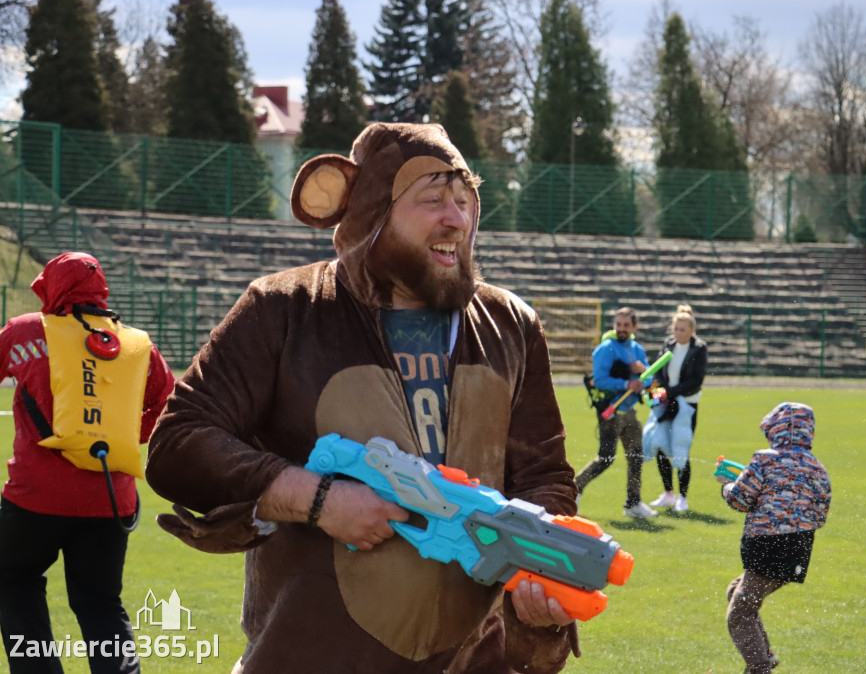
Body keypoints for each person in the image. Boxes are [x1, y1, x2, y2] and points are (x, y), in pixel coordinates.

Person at [145, 123, 579, 674]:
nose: (458, 218)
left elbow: (545, 476)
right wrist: (314, 498)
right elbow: (179, 442)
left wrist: (541, 577)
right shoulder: (283, 309)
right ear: (373, 211)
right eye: (432, 199)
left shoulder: (511, 324)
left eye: (464, 199)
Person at [0, 252, 174, 674]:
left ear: (54, 289)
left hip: (34, 499)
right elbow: (168, 404)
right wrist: (121, 437)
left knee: (12, 581)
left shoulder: (26, 331)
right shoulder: (137, 345)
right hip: (111, 500)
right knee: (100, 603)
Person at [717, 402, 831, 674]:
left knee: (740, 612)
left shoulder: (764, 459)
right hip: (799, 549)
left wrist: (726, 487)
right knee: (738, 592)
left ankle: (759, 667)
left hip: (767, 546)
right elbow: (821, 512)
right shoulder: (817, 467)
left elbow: (740, 499)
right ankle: (764, 654)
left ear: (774, 431)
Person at [574, 307, 656, 519]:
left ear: (634, 327)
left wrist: (641, 374)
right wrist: (627, 382)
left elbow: (648, 379)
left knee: (636, 457)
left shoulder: (637, 349)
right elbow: (600, 380)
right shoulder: (606, 349)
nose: (621, 329)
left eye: (626, 325)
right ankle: (574, 489)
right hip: (610, 413)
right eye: (618, 324)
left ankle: (633, 504)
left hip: (630, 411)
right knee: (606, 458)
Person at [646, 304, 707, 513]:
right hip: (665, 402)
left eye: (683, 330)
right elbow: (659, 372)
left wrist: (669, 391)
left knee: (681, 447)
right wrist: (660, 388)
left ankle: (683, 497)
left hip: (686, 405)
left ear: (692, 331)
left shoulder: (699, 348)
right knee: (661, 445)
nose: (678, 333)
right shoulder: (669, 344)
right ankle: (668, 493)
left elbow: (696, 380)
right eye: (676, 329)